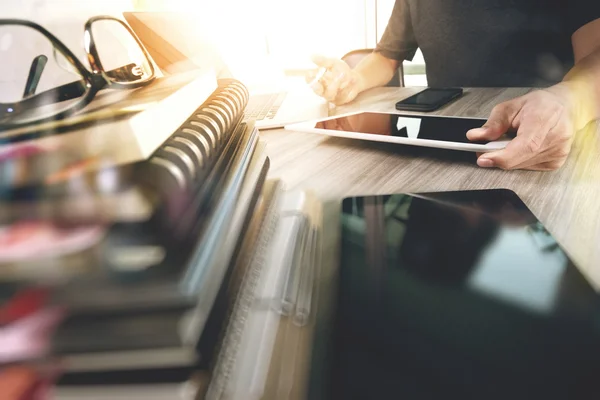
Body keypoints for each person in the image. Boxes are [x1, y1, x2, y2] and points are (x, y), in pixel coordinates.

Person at [307, 1, 600, 171]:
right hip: (441, 145)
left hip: (542, 144)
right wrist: (354, 79)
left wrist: (569, 100)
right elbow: (386, 56)